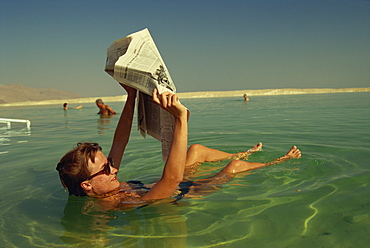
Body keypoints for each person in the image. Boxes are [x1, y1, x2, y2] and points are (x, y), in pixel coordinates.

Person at [57, 84, 301, 210]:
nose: (114, 169)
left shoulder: (104, 179)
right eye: (107, 169)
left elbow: (120, 140)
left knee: (195, 150)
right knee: (233, 168)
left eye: (110, 163)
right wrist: (180, 119)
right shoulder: (117, 204)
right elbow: (171, 180)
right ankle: (279, 161)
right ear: (87, 185)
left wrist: (131, 96)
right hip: (186, 190)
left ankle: (246, 152)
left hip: (167, 181)